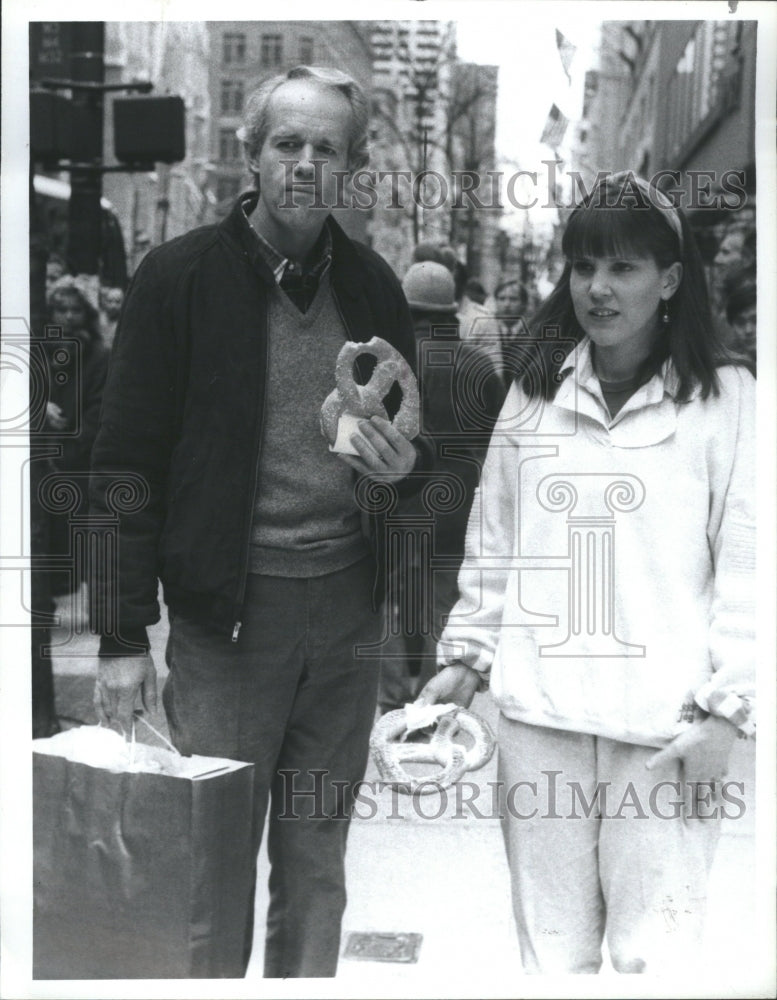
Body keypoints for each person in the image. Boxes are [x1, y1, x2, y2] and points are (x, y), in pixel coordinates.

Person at [88, 66, 424, 979]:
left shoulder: (370, 285)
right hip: (230, 628)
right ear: (251, 152)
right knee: (211, 867)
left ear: (351, 168)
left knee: (318, 868)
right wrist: (121, 636)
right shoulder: (179, 277)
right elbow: (123, 463)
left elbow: (402, 447)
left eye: (327, 148)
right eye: (288, 143)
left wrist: (398, 477)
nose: (305, 164)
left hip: (344, 621)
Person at [419, 172, 755, 974]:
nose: (597, 289)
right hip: (541, 721)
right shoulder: (533, 393)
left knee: (653, 959)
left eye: (623, 268)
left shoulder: (728, 397)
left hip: (663, 730)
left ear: (669, 279)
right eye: (582, 267)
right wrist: (464, 660)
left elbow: (750, 562)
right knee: (551, 956)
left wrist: (729, 711)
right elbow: (495, 538)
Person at [378, 261, 502, 713]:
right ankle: (431, 704)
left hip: (399, 500)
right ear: (451, 309)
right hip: (460, 502)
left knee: (392, 601)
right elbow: (497, 442)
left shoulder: (392, 365)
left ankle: (392, 702)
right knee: (442, 604)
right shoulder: (479, 364)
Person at [45, 276, 110, 612]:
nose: (67, 317)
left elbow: (98, 413)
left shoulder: (98, 356)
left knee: (77, 532)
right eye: (60, 309)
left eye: (75, 310)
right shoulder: (41, 351)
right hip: (43, 455)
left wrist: (67, 449)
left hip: (78, 461)